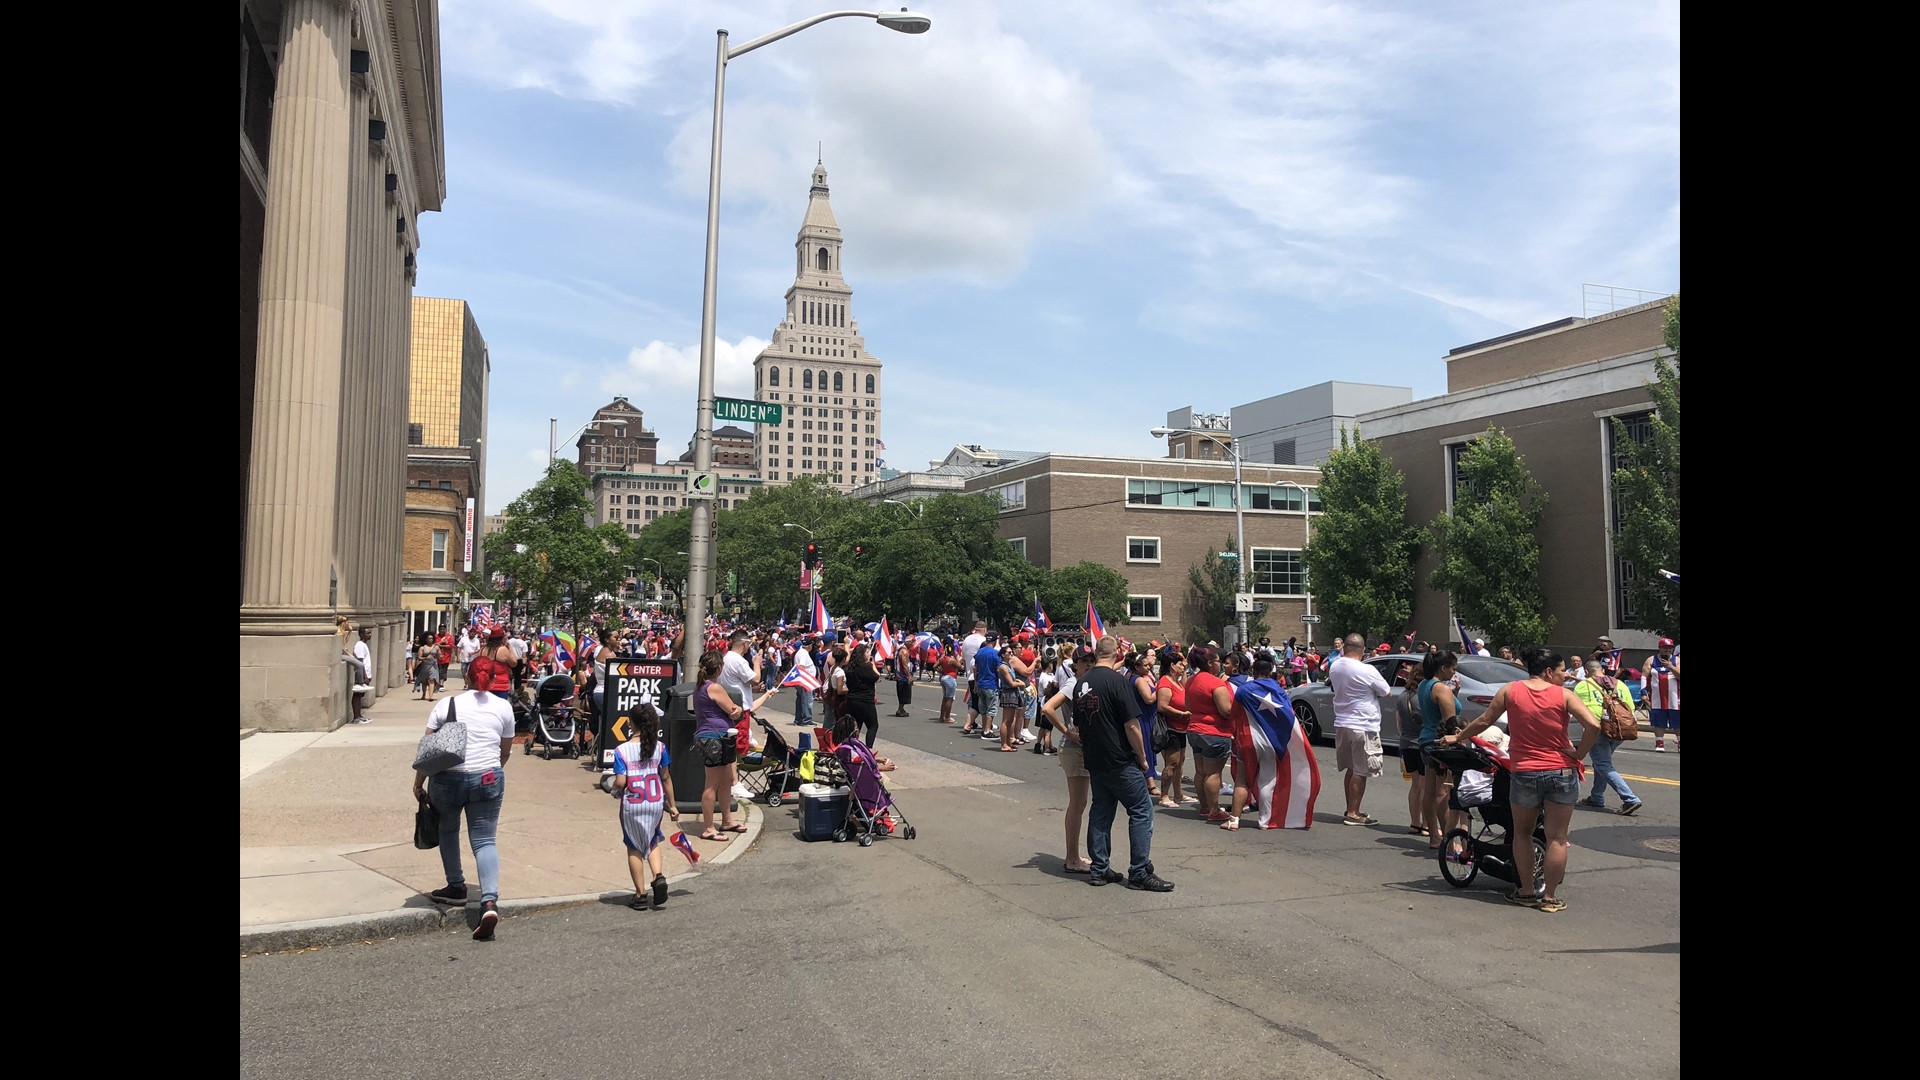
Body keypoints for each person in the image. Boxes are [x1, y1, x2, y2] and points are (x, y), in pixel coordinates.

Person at [1445, 649, 1599, 913]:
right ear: (1549, 671)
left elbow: (1484, 720)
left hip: (1525, 771)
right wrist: (1578, 754)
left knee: (1522, 834)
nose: (1565, 676)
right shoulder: (1564, 695)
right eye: (1562, 671)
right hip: (1560, 770)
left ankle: (1526, 891)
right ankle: (1549, 897)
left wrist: (1457, 738)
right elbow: (1594, 726)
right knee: (1557, 838)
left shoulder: (1510, 691)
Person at [413, 682, 517, 940]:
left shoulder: (446, 704)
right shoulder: (503, 707)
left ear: (468, 678)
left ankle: (456, 885)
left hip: (448, 778)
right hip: (488, 777)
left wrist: (418, 783)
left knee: (448, 830)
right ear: (493, 679)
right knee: (484, 841)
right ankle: (489, 902)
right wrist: (491, 770)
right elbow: (505, 752)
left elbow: (428, 748)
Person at [1076, 636, 1174, 892]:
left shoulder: (1082, 683)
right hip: (1119, 758)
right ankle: (1139, 872)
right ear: (1116, 653)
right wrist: (1143, 758)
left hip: (1095, 758)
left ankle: (1099, 869)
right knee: (1141, 811)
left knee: (1101, 811)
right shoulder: (1117, 682)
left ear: (1097, 653)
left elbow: (1080, 724)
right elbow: (1132, 725)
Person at [692, 650, 777, 842]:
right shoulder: (714, 687)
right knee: (712, 784)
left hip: (719, 737)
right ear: (719, 668)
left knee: (727, 781)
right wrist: (737, 709)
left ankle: (727, 820)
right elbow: (733, 710)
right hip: (715, 738)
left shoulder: (700, 686)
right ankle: (708, 827)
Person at [612, 703, 686, 911]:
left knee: (633, 846)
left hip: (633, 804)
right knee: (652, 841)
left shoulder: (621, 751)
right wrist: (672, 806)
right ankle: (658, 876)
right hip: (655, 803)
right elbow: (666, 777)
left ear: (630, 722)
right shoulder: (659, 748)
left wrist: (614, 791)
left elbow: (620, 782)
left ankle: (640, 894)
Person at [1041, 646, 1095, 872]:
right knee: (1078, 804)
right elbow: (1048, 708)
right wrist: (1067, 731)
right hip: (1075, 748)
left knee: (1082, 803)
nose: (1089, 664)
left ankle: (1077, 855)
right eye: (1085, 661)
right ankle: (1072, 858)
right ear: (1075, 665)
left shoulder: (1090, 682)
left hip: (1088, 748)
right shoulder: (1073, 684)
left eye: (1092, 659)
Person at [1329, 633, 1393, 826]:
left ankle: (1350, 808)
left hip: (1342, 721)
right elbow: (1387, 692)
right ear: (1363, 650)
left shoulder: (1335, 666)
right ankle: (1354, 813)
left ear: (1344, 648)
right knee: (1361, 770)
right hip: (1363, 723)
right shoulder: (1368, 670)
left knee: (1351, 768)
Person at [1575, 659, 1642, 814]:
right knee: (1602, 763)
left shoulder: (1583, 686)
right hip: (1620, 730)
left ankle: (1630, 799)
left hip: (1598, 729)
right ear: (1602, 671)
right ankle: (1597, 797)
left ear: (1586, 672)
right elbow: (1630, 708)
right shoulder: (1621, 685)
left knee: (1603, 764)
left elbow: (1576, 709)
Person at [1183, 646, 1237, 824]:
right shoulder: (1216, 683)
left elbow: (1188, 706)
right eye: (1217, 662)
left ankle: (1205, 806)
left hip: (1195, 729)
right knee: (1214, 773)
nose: (1219, 665)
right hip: (1214, 731)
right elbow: (1226, 711)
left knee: (1200, 771)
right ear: (1209, 663)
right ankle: (1214, 809)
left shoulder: (1191, 681)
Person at [1415, 651, 1464, 849]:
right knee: (1443, 792)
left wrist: (1455, 696)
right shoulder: (1441, 688)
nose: (1454, 673)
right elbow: (1450, 723)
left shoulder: (1423, 685)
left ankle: (1434, 835)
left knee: (1428, 791)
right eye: (1453, 668)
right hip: (1441, 743)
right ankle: (1448, 841)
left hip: (1426, 739)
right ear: (1443, 667)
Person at [1154, 650, 1192, 808]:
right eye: (1180, 664)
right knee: (1172, 762)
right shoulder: (1165, 682)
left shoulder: (1176, 681)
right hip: (1171, 728)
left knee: (1180, 762)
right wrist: (1182, 714)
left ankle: (1178, 794)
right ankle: (1164, 796)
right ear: (1171, 665)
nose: (1183, 666)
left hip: (1181, 728)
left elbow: (1186, 686)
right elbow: (1162, 706)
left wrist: (1183, 670)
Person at [1127, 651, 1162, 798]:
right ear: (1137, 666)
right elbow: (1148, 699)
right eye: (1146, 665)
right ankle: (1151, 783)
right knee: (1146, 749)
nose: (1149, 668)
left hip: (1136, 715)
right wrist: (1160, 687)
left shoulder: (1127, 677)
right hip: (1144, 717)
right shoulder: (1139, 680)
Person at [1642, 637, 1680, 752]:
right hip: (1657, 696)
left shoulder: (1677, 660)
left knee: (1677, 721)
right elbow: (1644, 676)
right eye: (1665, 648)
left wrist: (1671, 667)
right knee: (1659, 720)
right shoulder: (1651, 660)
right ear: (1660, 648)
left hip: (1675, 696)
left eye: (1669, 648)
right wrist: (1643, 692)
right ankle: (1659, 743)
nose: (1667, 650)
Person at [843, 643, 883, 748]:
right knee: (873, 725)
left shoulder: (849, 667)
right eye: (866, 652)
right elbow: (877, 677)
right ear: (862, 654)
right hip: (865, 700)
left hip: (852, 699)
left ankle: (851, 746)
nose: (868, 654)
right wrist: (872, 664)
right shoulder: (865, 667)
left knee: (856, 725)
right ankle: (868, 748)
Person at [972, 632, 1005, 743]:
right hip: (991, 684)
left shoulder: (979, 652)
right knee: (991, 708)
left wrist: (976, 682)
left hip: (980, 683)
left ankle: (985, 728)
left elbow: (975, 668)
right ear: (995, 641)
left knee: (983, 708)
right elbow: (998, 669)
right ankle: (987, 730)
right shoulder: (995, 654)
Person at [959, 622, 987, 733]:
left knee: (974, 701)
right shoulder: (982, 641)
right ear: (984, 629)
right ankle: (970, 724)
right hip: (979, 675)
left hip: (970, 673)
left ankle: (973, 724)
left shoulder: (966, 640)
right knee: (982, 703)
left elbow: (964, 659)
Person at [789, 633, 818, 729]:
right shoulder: (803, 654)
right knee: (807, 700)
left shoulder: (801, 652)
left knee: (801, 700)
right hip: (805, 681)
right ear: (809, 646)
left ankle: (799, 719)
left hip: (802, 680)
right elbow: (801, 666)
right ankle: (806, 719)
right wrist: (804, 679)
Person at [348, 626, 375, 723]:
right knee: (357, 695)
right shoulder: (359, 645)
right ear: (361, 634)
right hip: (361, 674)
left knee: (360, 695)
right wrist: (364, 676)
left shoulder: (364, 645)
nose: (370, 635)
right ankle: (356, 717)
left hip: (366, 673)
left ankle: (359, 715)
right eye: (368, 633)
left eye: (370, 633)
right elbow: (360, 662)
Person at [935, 642, 963, 724]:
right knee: (950, 699)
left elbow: (934, 666)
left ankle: (941, 717)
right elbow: (960, 667)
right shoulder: (951, 660)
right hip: (950, 678)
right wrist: (958, 659)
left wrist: (941, 671)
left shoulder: (942, 658)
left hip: (943, 677)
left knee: (945, 698)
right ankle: (947, 717)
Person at [413, 631, 440, 701]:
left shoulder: (436, 647)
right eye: (429, 638)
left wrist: (438, 656)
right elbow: (419, 657)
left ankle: (430, 696)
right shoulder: (422, 648)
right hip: (424, 666)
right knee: (424, 681)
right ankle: (424, 694)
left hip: (433, 666)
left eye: (431, 638)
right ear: (426, 639)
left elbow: (439, 655)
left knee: (432, 680)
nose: (430, 640)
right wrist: (425, 658)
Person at [890, 644, 913, 717]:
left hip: (901, 675)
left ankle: (901, 709)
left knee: (904, 693)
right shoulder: (904, 651)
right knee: (903, 693)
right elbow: (904, 665)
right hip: (902, 676)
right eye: (912, 642)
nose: (913, 645)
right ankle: (900, 709)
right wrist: (909, 676)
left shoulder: (902, 650)